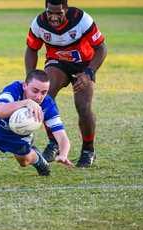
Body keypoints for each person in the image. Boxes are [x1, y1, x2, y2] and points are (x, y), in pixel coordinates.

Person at [25, 0, 107, 167]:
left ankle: (88, 150)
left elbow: (101, 48)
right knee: (44, 96)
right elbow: (32, 49)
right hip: (57, 63)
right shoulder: (39, 23)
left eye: (59, 13)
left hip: (84, 66)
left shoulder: (82, 20)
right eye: (50, 13)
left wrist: (89, 73)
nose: (53, 17)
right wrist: (30, 76)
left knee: (83, 106)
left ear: (66, 10)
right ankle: (54, 143)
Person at [0, 69, 72, 176]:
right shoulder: (14, 89)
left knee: (24, 162)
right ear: (25, 86)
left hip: (16, 137)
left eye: (44, 92)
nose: (39, 97)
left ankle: (38, 159)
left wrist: (63, 154)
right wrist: (26, 102)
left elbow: (62, 136)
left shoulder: (47, 105)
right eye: (35, 90)